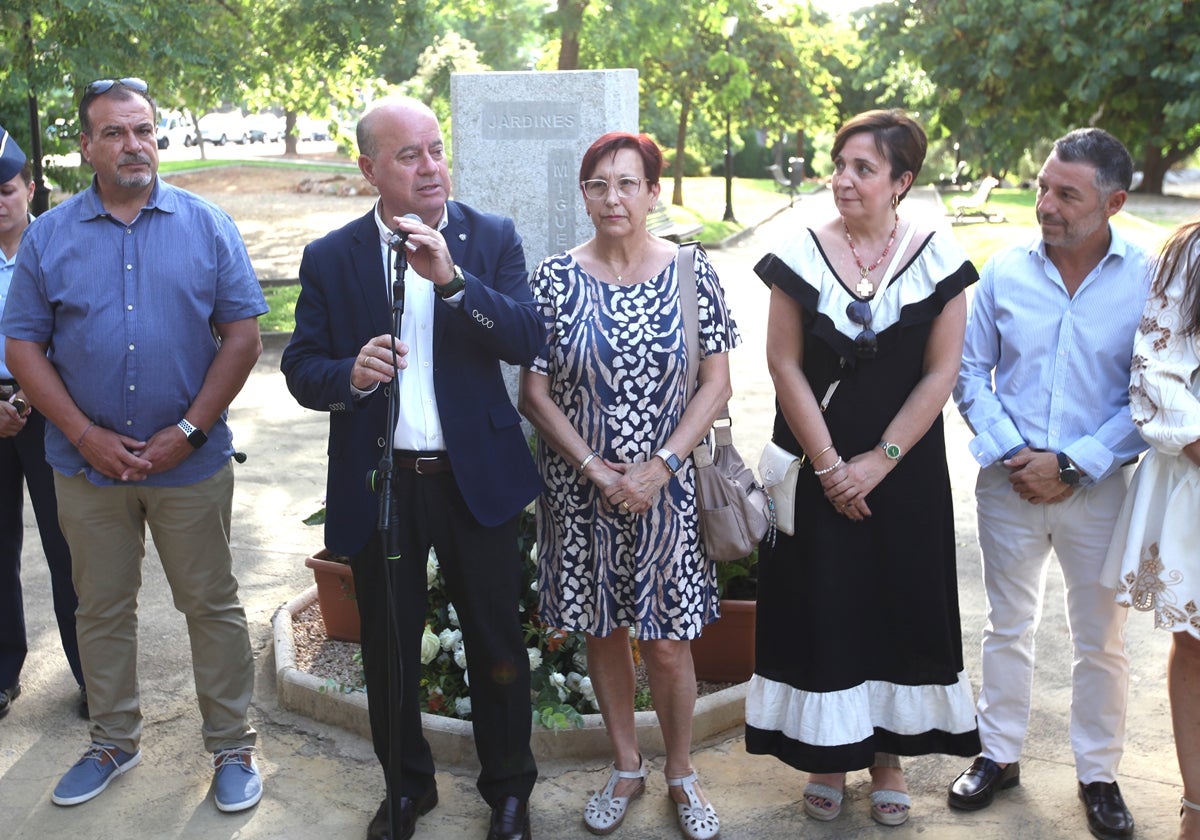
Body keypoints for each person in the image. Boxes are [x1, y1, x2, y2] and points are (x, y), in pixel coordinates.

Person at [280, 96, 541, 840]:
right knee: (389, 652)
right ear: (369, 170)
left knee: (497, 645)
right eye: (408, 155)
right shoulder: (332, 256)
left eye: (435, 149)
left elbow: (525, 337)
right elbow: (300, 367)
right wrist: (349, 376)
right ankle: (406, 787)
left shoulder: (488, 237)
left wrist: (455, 281)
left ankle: (510, 791)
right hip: (381, 486)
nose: (431, 166)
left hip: (475, 482)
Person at [2, 78, 266, 813]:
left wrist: (189, 431)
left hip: (191, 465)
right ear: (85, 147)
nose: (133, 145)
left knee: (210, 605)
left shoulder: (207, 224)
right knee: (100, 607)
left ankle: (231, 746)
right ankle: (113, 739)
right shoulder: (51, 236)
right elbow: (22, 345)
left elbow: (242, 336)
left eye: (144, 130)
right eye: (114, 133)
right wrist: (84, 435)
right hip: (86, 470)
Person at [746, 109, 981, 828]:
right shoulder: (800, 252)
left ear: (901, 182)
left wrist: (875, 466)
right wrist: (828, 466)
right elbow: (782, 361)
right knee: (826, 602)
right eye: (841, 164)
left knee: (897, 602)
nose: (843, 180)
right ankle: (828, 753)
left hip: (903, 474)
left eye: (863, 169)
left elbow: (941, 374)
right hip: (816, 470)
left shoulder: (937, 257)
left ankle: (890, 758)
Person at [518, 132, 739, 840]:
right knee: (604, 630)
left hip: (666, 491)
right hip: (580, 489)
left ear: (652, 192)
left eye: (626, 183)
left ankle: (680, 772)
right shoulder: (554, 277)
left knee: (669, 642)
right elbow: (534, 392)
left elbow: (717, 381)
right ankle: (624, 764)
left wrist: (659, 466)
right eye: (598, 185)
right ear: (583, 195)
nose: (612, 198)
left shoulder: (690, 271)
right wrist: (594, 467)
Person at [950, 127, 1150, 840]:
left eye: (1067, 193)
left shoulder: (1149, 279)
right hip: (1009, 486)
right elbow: (970, 375)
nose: (1046, 204)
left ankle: (1098, 774)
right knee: (1008, 626)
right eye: (1042, 186)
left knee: (1101, 640)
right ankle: (998, 755)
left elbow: (1150, 393)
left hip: (1099, 493)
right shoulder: (1004, 270)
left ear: (1114, 202)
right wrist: (1016, 456)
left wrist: (1073, 464)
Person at [1102, 217, 1200, 840]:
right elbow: (1157, 366)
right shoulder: (1192, 251)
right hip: (1196, 469)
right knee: (1196, 641)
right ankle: (1197, 806)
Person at [0, 125, 86, 721]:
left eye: (7, 188)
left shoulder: (58, 247)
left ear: (30, 188)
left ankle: (91, 674)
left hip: (50, 411)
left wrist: (33, 399)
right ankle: (3, 673)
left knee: (69, 547)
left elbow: (80, 334)